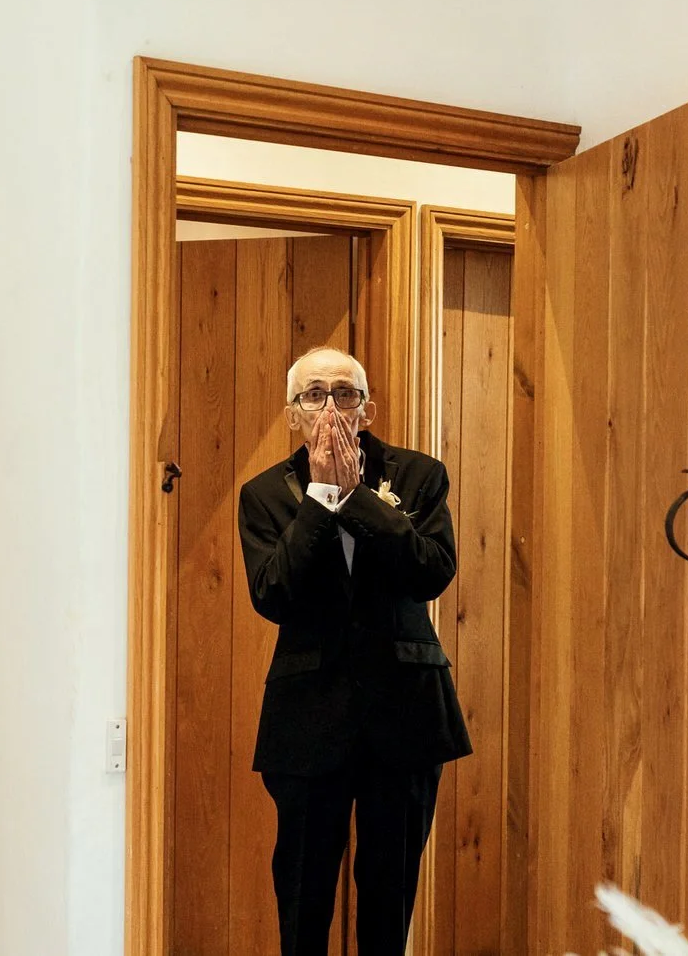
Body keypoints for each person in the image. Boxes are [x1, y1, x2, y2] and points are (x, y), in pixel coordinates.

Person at [237, 346, 472, 956]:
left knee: (390, 889)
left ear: (368, 409)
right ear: (293, 414)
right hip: (307, 715)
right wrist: (320, 500)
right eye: (314, 395)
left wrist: (358, 498)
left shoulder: (419, 476)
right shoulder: (264, 494)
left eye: (346, 394)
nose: (332, 408)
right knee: (302, 886)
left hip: (407, 711)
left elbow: (431, 572)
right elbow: (274, 593)